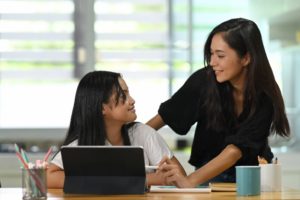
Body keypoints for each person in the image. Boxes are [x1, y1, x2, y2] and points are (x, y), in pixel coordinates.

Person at [147, 18, 290, 188]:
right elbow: (163, 118)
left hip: (251, 176)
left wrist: (190, 180)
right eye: (211, 53)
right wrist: (128, 146)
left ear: (246, 58)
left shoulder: (266, 96)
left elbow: (235, 150)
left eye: (220, 55)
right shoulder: (204, 80)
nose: (213, 62)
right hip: (207, 174)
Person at [47, 71, 185, 188]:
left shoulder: (143, 133)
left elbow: (181, 179)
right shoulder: (81, 145)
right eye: (123, 95)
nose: (132, 100)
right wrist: (146, 180)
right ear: (102, 108)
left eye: (128, 93)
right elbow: (48, 176)